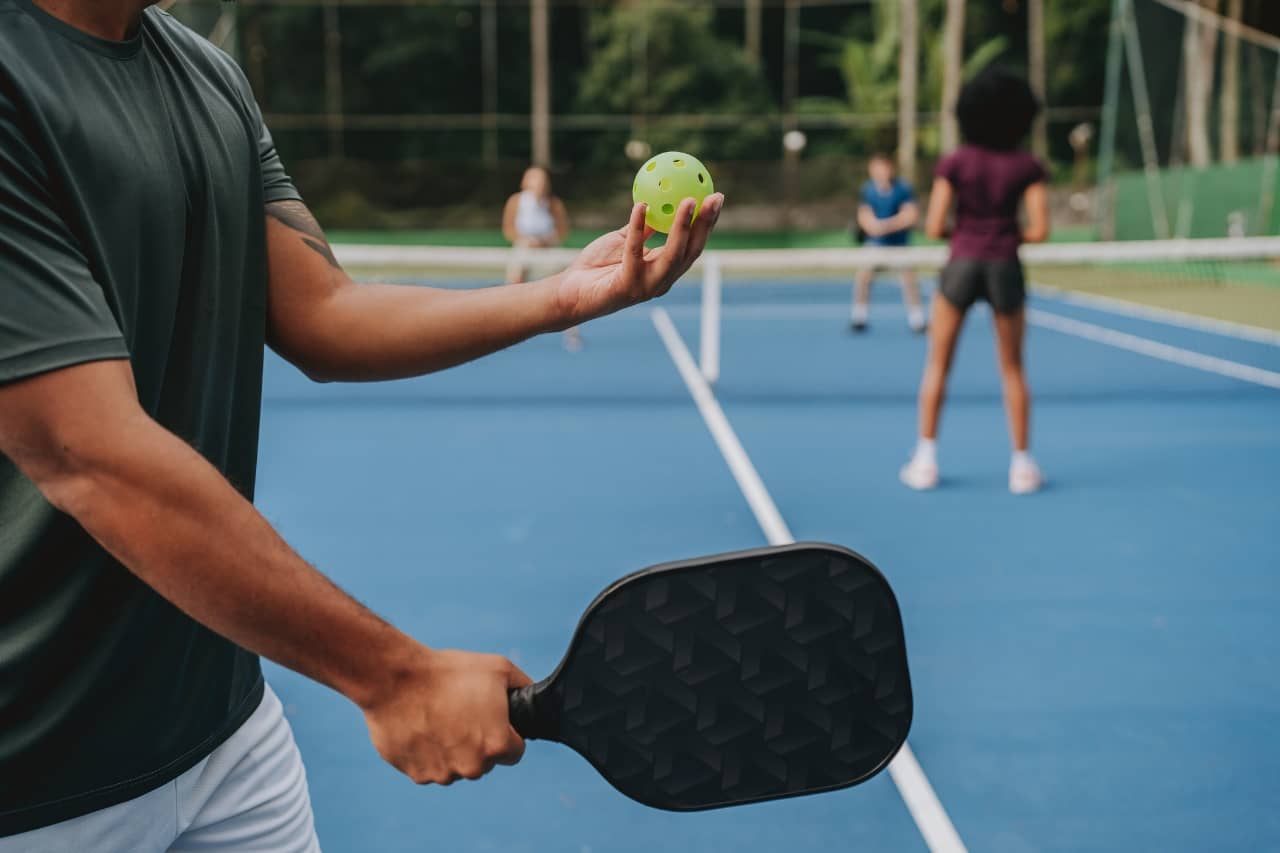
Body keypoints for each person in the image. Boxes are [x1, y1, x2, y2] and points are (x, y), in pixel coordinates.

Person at [0, 2, 724, 850]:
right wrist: (392, 677)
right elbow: (86, 451)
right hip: (42, 774)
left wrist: (567, 295)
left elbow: (327, 313)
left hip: (223, 729)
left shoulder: (206, 76)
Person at [899, 67, 1050, 495]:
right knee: (1014, 368)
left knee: (938, 365)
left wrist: (966, 235)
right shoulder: (1027, 165)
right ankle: (1022, 467)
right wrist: (1003, 234)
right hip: (1005, 266)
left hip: (961, 264)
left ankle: (925, 461)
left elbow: (933, 226)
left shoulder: (956, 162)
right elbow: (1039, 228)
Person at [502, 167, 581, 350]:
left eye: (542, 180)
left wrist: (546, 240)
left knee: (566, 286)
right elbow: (509, 229)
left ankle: (572, 332)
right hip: (524, 247)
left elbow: (562, 231)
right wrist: (526, 241)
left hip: (549, 248)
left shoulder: (553, 204)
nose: (539, 184)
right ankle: (507, 328)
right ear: (525, 182)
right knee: (513, 284)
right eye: (534, 179)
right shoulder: (515, 201)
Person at [851, 153, 926, 334]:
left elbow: (911, 215)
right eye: (877, 168)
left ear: (891, 169)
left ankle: (917, 320)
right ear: (871, 170)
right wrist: (872, 226)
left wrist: (886, 225)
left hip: (899, 245)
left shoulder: (903, 188)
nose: (881, 172)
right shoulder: (868, 189)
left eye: (884, 168)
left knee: (909, 280)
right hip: (875, 245)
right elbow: (864, 215)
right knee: (863, 277)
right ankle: (859, 318)